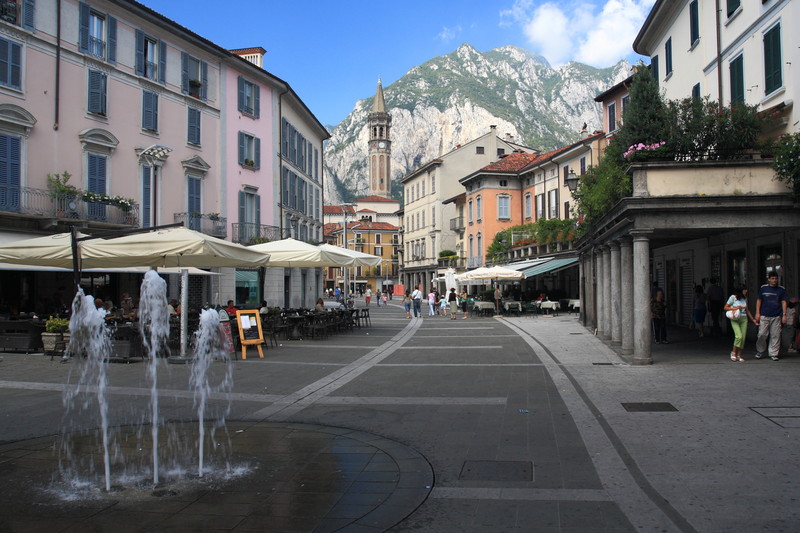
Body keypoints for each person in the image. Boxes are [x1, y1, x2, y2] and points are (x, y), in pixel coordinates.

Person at [755, 270, 788, 361]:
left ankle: (773, 353)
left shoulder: (781, 289)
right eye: (772, 279)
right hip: (764, 315)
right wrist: (757, 313)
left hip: (776, 316)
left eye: (776, 279)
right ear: (769, 279)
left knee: (775, 335)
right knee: (762, 334)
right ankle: (760, 351)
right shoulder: (763, 288)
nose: (774, 280)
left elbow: (784, 302)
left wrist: (784, 315)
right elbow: (759, 300)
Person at [724, 285, 756, 362]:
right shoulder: (733, 297)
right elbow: (725, 307)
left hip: (744, 318)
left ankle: (739, 355)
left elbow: (747, 310)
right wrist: (734, 308)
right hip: (735, 318)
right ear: (741, 290)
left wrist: (753, 319)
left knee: (743, 338)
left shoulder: (745, 298)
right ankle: (733, 353)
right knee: (739, 336)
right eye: (745, 289)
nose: (746, 291)